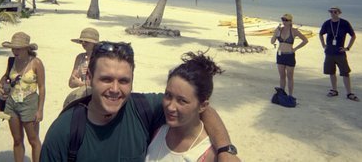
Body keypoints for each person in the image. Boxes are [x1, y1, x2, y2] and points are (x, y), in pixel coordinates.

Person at [41, 41, 239, 162]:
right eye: (106, 79)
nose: (115, 90)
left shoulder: (143, 109)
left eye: (124, 81)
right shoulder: (64, 131)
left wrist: (225, 150)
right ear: (89, 77)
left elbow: (201, 109)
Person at [145, 51, 227, 162]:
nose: (170, 107)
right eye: (168, 95)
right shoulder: (157, 129)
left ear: (202, 106)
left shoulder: (209, 155)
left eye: (182, 101)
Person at [0, 32, 46, 162]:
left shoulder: (36, 63)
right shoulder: (12, 61)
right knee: (17, 140)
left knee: (33, 140)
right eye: (13, 48)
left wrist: (40, 110)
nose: (15, 51)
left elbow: (42, 87)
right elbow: (6, 76)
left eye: (18, 48)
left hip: (29, 103)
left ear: (27, 48)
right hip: (12, 102)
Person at [319, 7, 359, 101]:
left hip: (340, 52)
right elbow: (321, 34)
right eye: (331, 12)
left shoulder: (344, 23)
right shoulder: (327, 23)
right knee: (331, 72)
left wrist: (347, 48)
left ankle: (349, 93)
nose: (333, 13)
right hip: (329, 52)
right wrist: (323, 45)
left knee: (345, 73)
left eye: (335, 12)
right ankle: (334, 90)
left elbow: (353, 36)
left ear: (339, 13)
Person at [270, 14, 308, 98]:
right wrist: (275, 33)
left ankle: (290, 95)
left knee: (290, 76)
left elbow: (305, 40)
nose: (284, 21)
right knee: (282, 76)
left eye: (286, 20)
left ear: (290, 21)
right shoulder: (279, 30)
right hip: (280, 55)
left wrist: (295, 48)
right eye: (283, 19)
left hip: (289, 55)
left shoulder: (294, 31)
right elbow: (272, 42)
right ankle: (282, 94)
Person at [63, 27, 100, 108]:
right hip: (83, 93)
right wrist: (79, 73)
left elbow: (101, 83)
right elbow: (71, 83)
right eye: (81, 41)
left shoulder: (101, 58)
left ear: (94, 43)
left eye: (86, 41)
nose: (83, 43)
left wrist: (80, 83)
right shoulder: (80, 57)